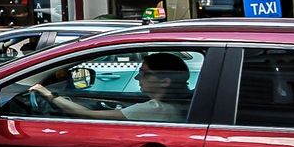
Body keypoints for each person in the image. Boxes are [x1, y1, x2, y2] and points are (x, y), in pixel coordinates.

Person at [32, 52, 192, 122]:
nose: (138, 77)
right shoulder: (185, 101)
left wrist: (47, 94)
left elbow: (87, 115)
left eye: (144, 73)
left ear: (165, 81)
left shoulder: (157, 109)